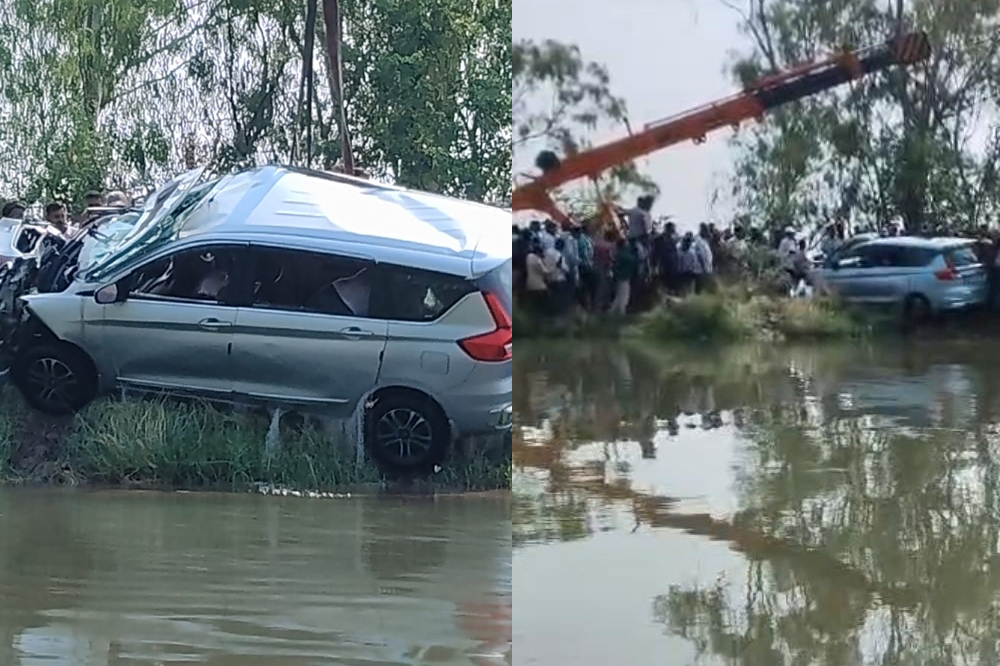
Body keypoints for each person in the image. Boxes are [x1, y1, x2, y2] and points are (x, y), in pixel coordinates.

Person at [609, 238, 638, 316]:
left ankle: (612, 312)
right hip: (624, 277)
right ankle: (621, 312)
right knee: (624, 295)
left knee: (619, 295)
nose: (627, 244)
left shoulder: (619, 254)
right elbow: (633, 261)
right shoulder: (624, 254)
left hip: (620, 277)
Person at [524, 241, 550, 312]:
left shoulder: (528, 257)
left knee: (533, 304)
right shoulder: (538, 260)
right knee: (543, 303)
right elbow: (545, 272)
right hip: (539, 286)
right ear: (538, 252)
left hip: (529, 284)